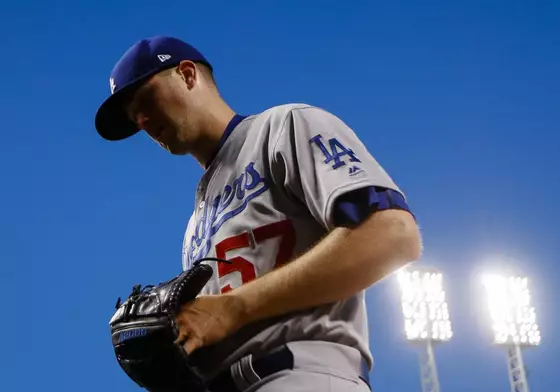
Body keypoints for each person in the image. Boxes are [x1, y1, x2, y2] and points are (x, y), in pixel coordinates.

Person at [95, 36, 421, 392]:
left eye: (145, 100)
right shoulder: (195, 227)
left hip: (304, 375)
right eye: (133, 118)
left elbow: (392, 233)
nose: (142, 121)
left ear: (187, 75)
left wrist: (232, 307)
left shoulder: (284, 128)